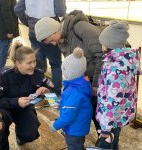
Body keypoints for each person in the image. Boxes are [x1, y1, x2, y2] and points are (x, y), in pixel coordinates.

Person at [35, 10, 103, 139]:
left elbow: (102, 55)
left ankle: (105, 140)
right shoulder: (62, 39)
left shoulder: (81, 28)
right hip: (85, 79)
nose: (53, 44)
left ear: (53, 31)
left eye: (50, 40)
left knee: (97, 110)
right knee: (88, 108)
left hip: (97, 79)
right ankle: (94, 135)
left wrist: (95, 85)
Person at [0, 42, 53, 150]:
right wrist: (16, 102)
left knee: (30, 134)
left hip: (24, 108)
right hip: (5, 109)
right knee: (1, 122)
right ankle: (3, 146)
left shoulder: (38, 74)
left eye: (34, 61)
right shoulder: (4, 76)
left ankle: (21, 136)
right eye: (29, 63)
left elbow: (53, 93)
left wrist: (46, 92)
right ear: (18, 63)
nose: (33, 65)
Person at [96, 20, 141, 150]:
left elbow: (113, 100)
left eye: (102, 43)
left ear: (110, 44)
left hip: (111, 119)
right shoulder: (123, 61)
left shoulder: (115, 69)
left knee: (107, 144)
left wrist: (105, 128)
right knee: (114, 141)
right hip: (119, 116)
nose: (101, 46)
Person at [14, 0, 66, 96]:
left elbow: (18, 9)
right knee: (55, 64)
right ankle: (56, 93)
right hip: (50, 29)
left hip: (33, 29)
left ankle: (38, 91)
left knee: (37, 64)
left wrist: (29, 23)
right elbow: (61, 11)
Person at [50, 47, 93, 150]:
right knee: (78, 143)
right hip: (81, 124)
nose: (63, 73)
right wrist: (61, 103)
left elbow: (68, 116)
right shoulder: (83, 82)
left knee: (73, 146)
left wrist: (55, 125)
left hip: (74, 129)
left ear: (70, 72)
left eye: (64, 69)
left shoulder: (73, 91)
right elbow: (74, 104)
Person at [0, 0, 19, 73]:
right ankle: (1, 72)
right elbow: (7, 14)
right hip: (5, 28)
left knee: (0, 49)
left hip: (0, 27)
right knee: (3, 51)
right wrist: (10, 30)